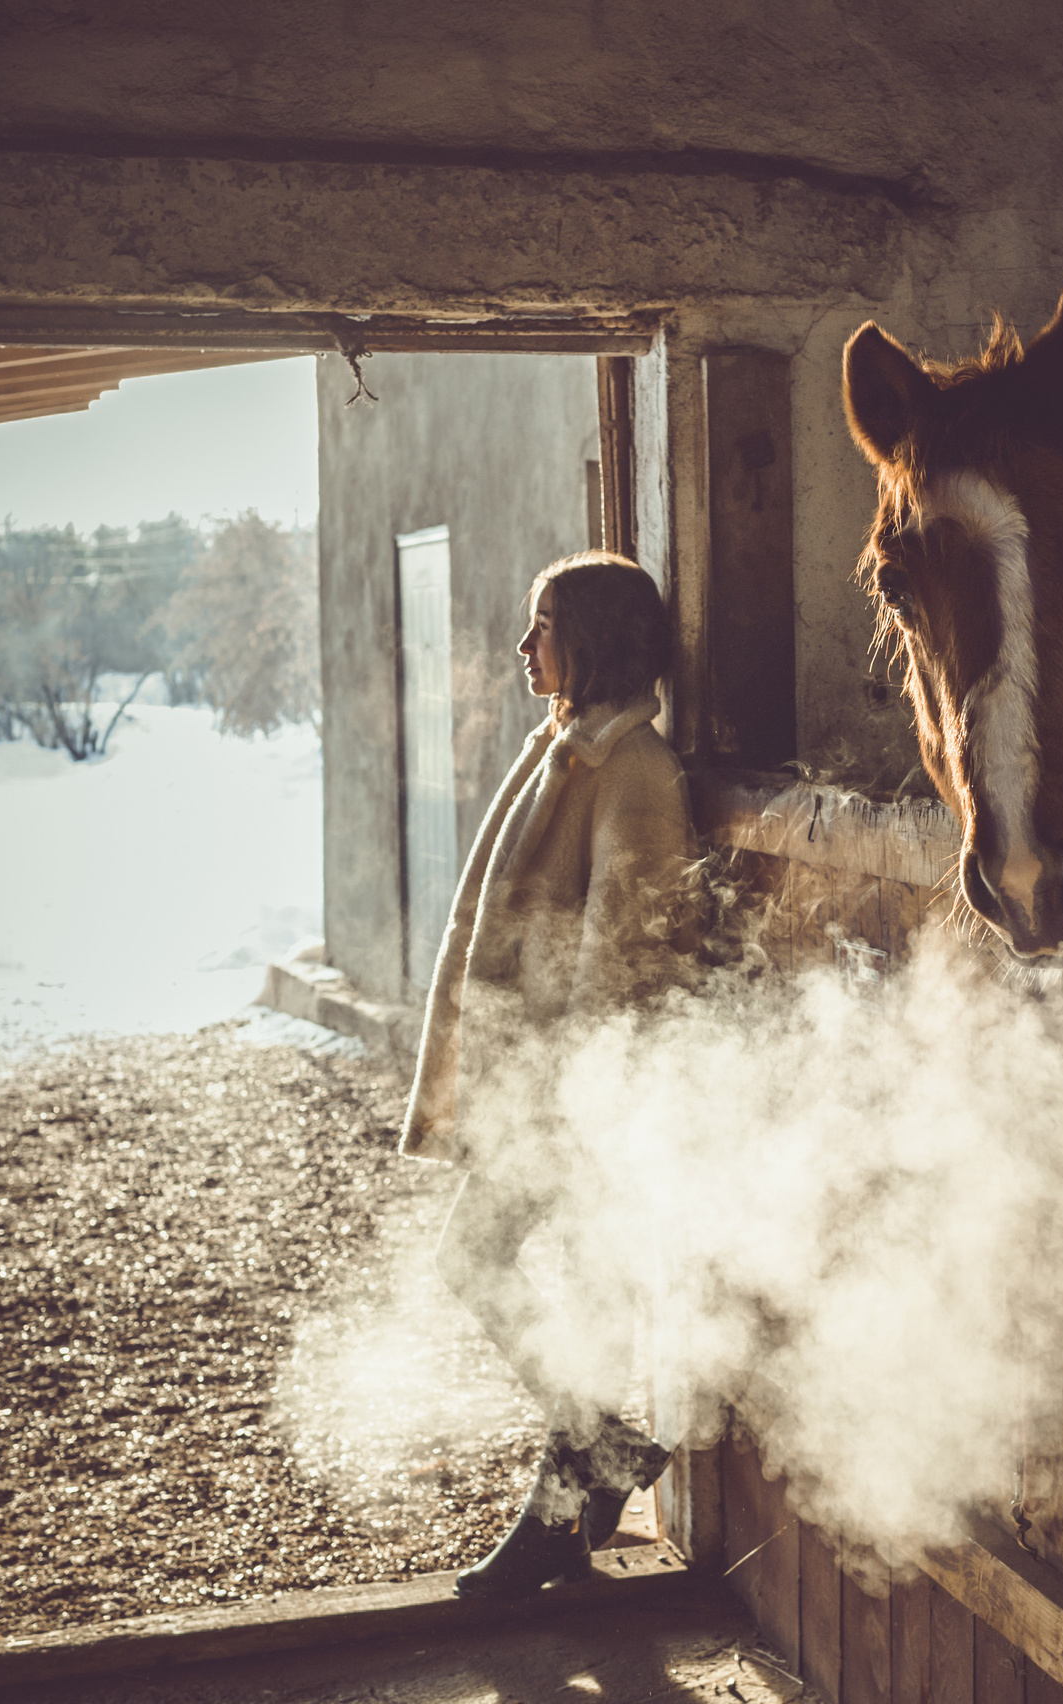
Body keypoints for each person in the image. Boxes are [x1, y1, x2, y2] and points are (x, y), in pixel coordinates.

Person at [401, 550, 693, 1597]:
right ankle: (570, 1499)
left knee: (478, 1258)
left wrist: (578, 1102)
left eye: (544, 626)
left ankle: (585, 1468)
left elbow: (629, 946)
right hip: (548, 1085)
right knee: (575, 1290)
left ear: (593, 639)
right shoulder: (571, 747)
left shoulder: (632, 769)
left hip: (580, 1093)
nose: (524, 646)